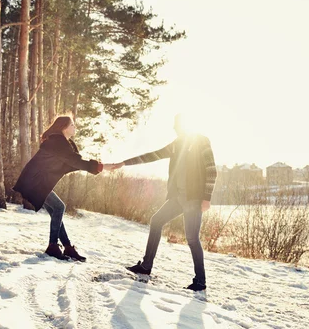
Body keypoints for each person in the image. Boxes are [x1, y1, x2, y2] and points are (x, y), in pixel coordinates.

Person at [119, 114, 217, 291]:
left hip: (194, 198)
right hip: (178, 197)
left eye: (177, 126)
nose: (174, 128)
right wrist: (124, 163)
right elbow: (152, 156)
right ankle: (146, 266)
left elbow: (211, 170)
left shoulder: (202, 141)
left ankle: (200, 281)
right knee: (156, 221)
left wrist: (206, 198)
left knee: (192, 238)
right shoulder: (177, 144)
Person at [13, 115, 118, 262]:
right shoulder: (57, 142)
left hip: (37, 182)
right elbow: (75, 161)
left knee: (56, 212)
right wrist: (101, 167)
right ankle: (52, 246)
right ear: (64, 127)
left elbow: (74, 163)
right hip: (34, 182)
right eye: (72, 125)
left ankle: (67, 247)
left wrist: (97, 167)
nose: (75, 127)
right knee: (59, 207)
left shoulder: (61, 144)